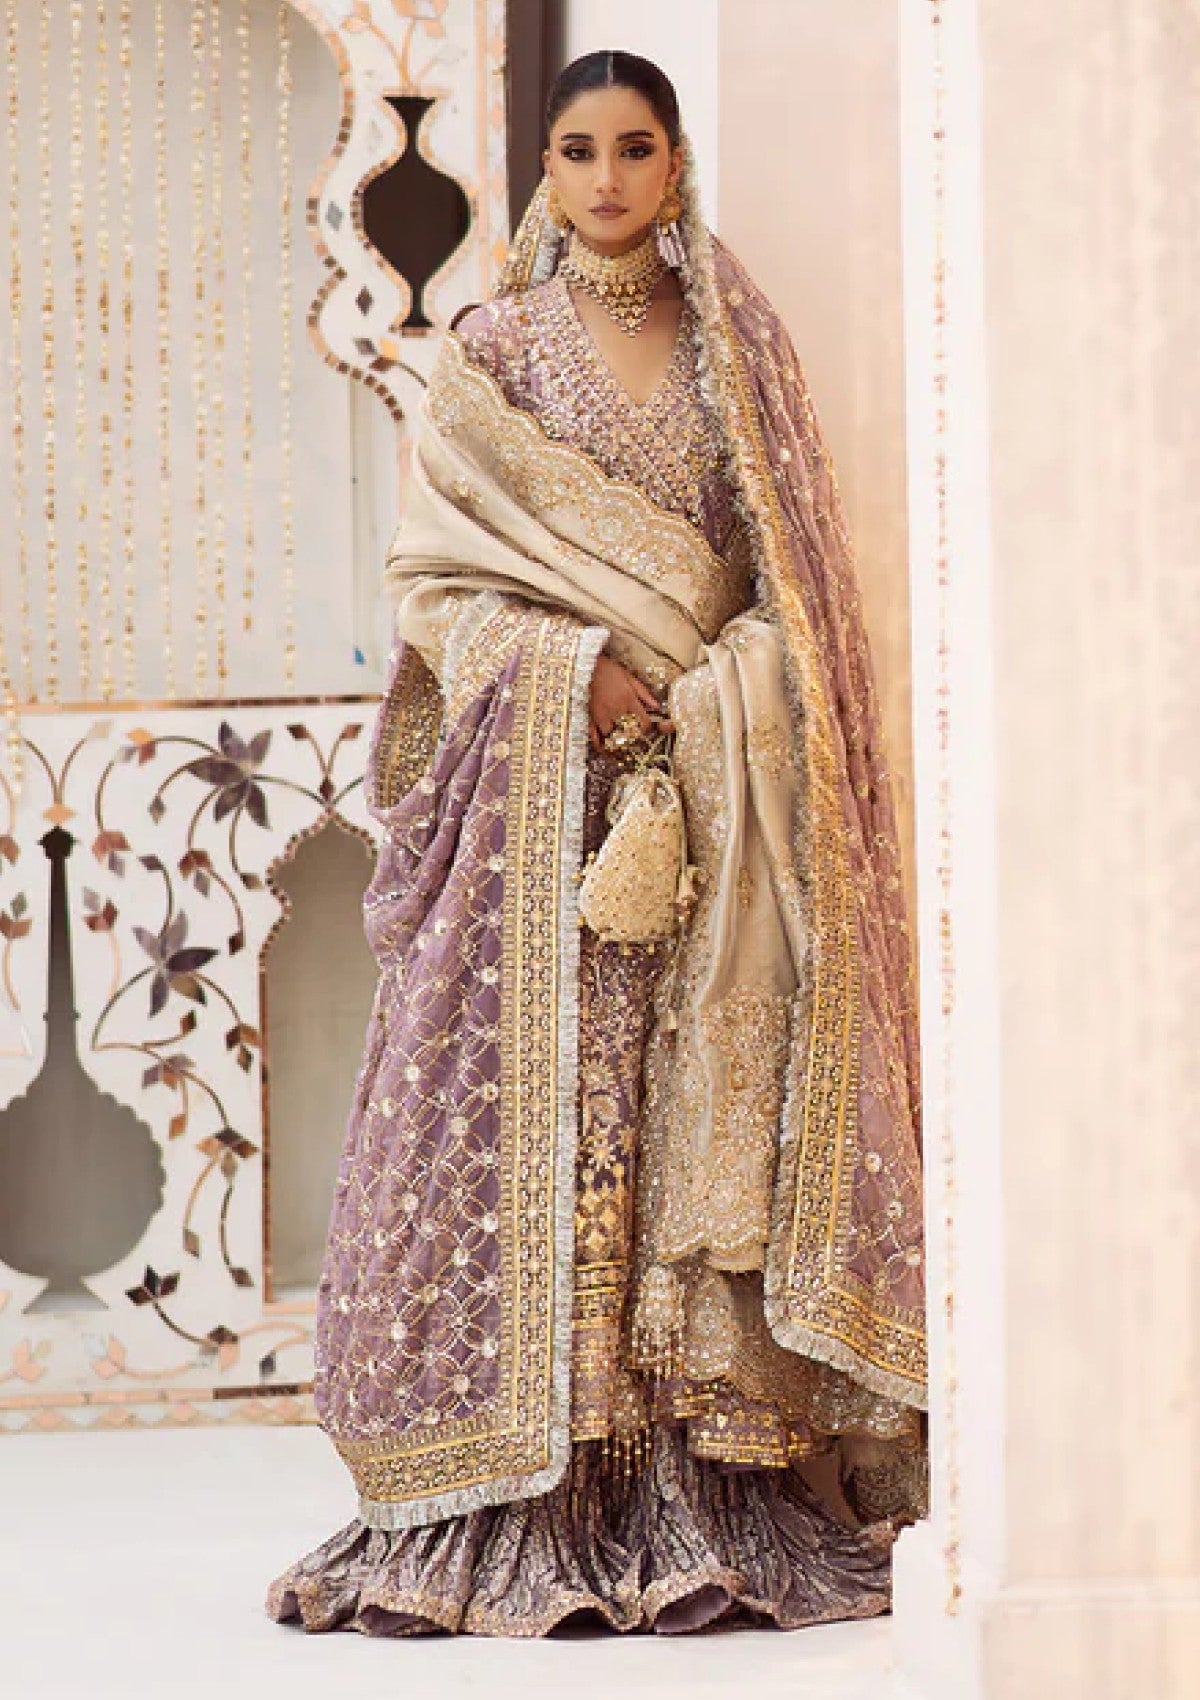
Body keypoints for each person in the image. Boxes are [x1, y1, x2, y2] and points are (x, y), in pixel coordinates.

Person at [266, 48, 927, 1638]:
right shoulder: (495, 351)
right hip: (540, 820)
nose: (611, 177)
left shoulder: (734, 351)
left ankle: (702, 1493)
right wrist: (576, 674)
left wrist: (715, 700)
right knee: (539, 1119)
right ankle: (521, 1495)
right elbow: (438, 590)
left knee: (684, 1124)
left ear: (675, 162)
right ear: (546, 173)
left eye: (637, 147)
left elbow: (794, 592)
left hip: (713, 804)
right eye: (580, 150)